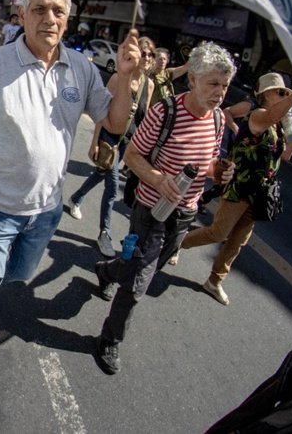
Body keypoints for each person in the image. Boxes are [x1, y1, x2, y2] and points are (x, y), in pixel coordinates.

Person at [0, 0, 138, 379]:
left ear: (68, 20)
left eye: (58, 11)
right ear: (22, 14)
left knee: (16, 281)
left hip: (47, 213)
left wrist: (125, 77)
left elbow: (115, 122)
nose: (49, 18)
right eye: (39, 9)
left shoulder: (82, 68)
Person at [93, 41, 237, 375]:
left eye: (224, 86)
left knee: (143, 269)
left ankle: (108, 270)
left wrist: (221, 171)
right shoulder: (166, 112)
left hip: (185, 214)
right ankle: (109, 339)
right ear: (194, 81)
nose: (219, 92)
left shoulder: (217, 120)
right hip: (151, 211)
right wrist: (158, 180)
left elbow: (210, 165)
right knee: (139, 282)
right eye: (213, 83)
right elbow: (132, 156)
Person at [180, 73, 292, 305]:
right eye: (281, 93)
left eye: (286, 93)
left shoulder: (278, 123)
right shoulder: (258, 114)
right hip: (239, 187)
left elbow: (286, 155)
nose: (285, 96)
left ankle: (214, 281)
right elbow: (265, 118)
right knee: (219, 232)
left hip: (259, 194)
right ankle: (177, 242)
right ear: (266, 94)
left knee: (238, 241)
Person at [68, 36, 156, 258]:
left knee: (101, 174)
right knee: (112, 184)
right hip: (109, 136)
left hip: (128, 141)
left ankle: (75, 198)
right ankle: (104, 233)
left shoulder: (149, 84)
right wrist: (94, 142)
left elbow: (142, 119)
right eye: (143, 53)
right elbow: (100, 111)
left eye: (150, 54)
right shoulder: (118, 78)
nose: (147, 58)